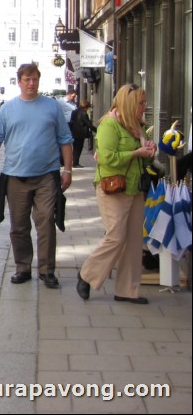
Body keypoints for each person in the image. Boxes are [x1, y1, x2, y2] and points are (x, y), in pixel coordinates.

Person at [0, 63, 73, 289]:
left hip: (46, 176)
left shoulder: (51, 107)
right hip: (15, 177)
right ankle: (22, 267)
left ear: (38, 81)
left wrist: (68, 169)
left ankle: (46, 270)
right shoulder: (8, 109)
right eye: (27, 80)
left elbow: (65, 139)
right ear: (19, 81)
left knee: (45, 222)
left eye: (34, 79)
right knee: (19, 225)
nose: (31, 83)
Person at [76, 84, 157, 305]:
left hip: (135, 189)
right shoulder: (109, 124)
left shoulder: (135, 126)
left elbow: (141, 160)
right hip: (113, 188)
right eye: (141, 103)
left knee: (133, 241)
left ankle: (127, 290)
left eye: (144, 102)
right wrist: (136, 152)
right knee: (116, 237)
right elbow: (107, 158)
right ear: (130, 104)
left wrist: (148, 152)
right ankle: (87, 275)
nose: (144, 107)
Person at [70, 100, 96, 168]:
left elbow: (71, 122)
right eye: (87, 108)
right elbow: (89, 124)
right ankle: (76, 163)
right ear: (86, 107)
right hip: (81, 134)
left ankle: (74, 162)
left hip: (74, 133)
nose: (87, 109)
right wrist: (97, 130)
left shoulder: (74, 112)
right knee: (79, 149)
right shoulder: (84, 114)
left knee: (75, 148)